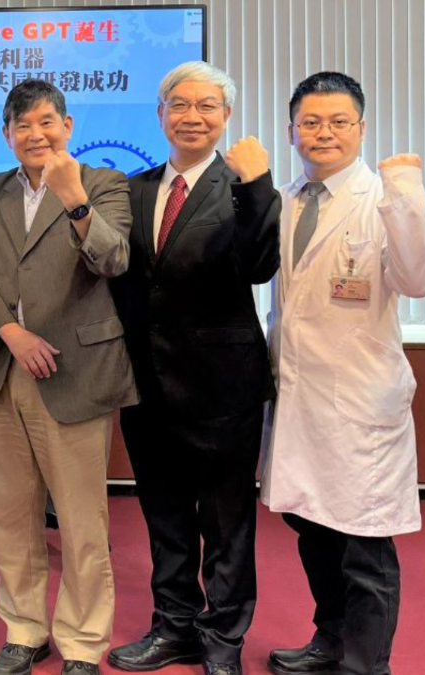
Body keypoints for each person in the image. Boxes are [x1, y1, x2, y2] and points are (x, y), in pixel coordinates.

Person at [262, 71, 425, 675]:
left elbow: (419, 281)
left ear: (361, 128)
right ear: (293, 131)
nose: (324, 133)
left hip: (360, 403)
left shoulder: (384, 199)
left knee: (364, 544)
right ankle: (330, 641)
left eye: (339, 122)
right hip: (299, 397)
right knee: (312, 527)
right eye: (311, 122)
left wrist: (408, 192)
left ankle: (367, 665)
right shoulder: (288, 199)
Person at [0, 79, 135, 675]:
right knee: (10, 513)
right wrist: (9, 333)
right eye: (22, 126)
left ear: (68, 125)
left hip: (75, 372)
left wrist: (75, 201)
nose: (36, 134)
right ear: (7, 136)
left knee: (83, 520)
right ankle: (24, 628)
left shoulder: (105, 184)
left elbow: (113, 260)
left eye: (46, 122)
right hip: (6, 371)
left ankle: (83, 640)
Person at [106, 62, 280, 675]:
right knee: (166, 519)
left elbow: (260, 265)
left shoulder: (246, 186)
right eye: (179, 104)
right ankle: (174, 627)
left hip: (223, 388)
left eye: (207, 106)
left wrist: (257, 186)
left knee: (228, 524)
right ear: (160, 115)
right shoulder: (132, 189)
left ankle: (223, 640)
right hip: (146, 386)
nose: (192, 116)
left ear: (225, 116)